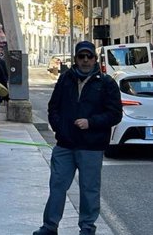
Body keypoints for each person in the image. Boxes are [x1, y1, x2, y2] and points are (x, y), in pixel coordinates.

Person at [32, 41, 122, 235]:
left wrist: (91, 122)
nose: (86, 60)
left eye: (89, 56)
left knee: (89, 189)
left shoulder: (106, 83)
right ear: (76, 59)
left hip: (92, 147)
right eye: (81, 56)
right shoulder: (65, 79)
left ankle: (87, 228)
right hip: (65, 145)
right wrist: (60, 128)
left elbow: (115, 114)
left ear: (95, 59)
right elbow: (53, 107)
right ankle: (49, 226)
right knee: (57, 186)